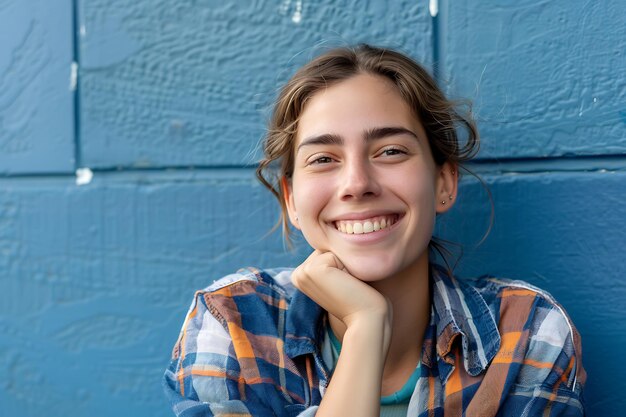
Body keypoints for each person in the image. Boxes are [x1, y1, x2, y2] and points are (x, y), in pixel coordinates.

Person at [163, 44, 586, 416]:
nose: (357, 184)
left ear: (444, 183)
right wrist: (367, 328)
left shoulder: (526, 331)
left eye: (390, 151)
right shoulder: (234, 324)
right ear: (290, 198)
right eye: (324, 159)